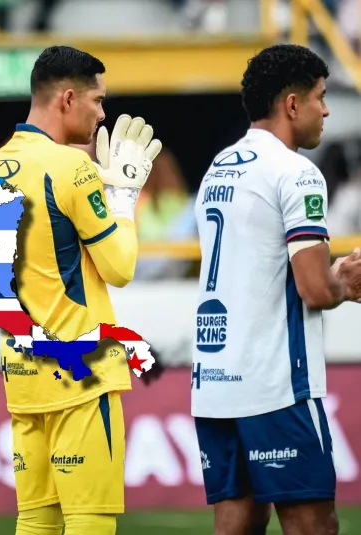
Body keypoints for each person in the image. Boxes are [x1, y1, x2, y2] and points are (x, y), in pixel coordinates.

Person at [0, 45, 162, 535]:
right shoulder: (71, 167)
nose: (102, 114)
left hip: (23, 374)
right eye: (98, 100)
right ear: (67, 98)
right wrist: (123, 197)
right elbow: (120, 267)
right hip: (81, 373)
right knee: (89, 521)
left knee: (35, 522)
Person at [191, 44, 361, 535]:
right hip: (275, 384)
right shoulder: (297, 172)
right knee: (314, 525)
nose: (325, 110)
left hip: (215, 382)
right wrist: (344, 281)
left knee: (237, 521)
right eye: (320, 97)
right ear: (292, 104)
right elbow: (316, 290)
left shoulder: (219, 166)